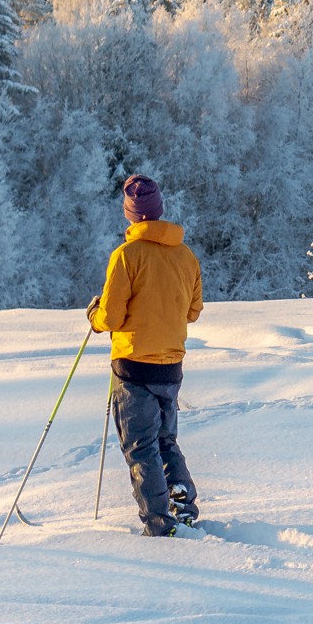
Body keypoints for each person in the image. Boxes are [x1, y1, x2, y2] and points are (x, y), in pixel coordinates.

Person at [87, 174, 205, 536]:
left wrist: (95, 314)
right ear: (159, 210)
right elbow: (193, 310)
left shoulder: (126, 256)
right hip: (171, 367)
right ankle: (182, 504)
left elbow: (111, 317)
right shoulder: (185, 256)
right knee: (165, 441)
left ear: (130, 214)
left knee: (140, 448)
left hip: (133, 368)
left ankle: (158, 523)